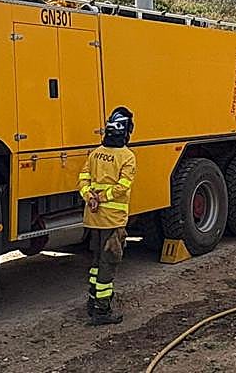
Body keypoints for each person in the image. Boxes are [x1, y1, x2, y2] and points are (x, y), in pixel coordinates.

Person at [78, 106, 136, 326]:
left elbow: (82, 179)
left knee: (96, 261)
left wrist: (89, 197)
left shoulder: (95, 153)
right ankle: (102, 311)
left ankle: (93, 301)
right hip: (114, 221)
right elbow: (123, 186)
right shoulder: (127, 157)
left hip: (93, 218)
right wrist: (102, 198)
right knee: (108, 263)